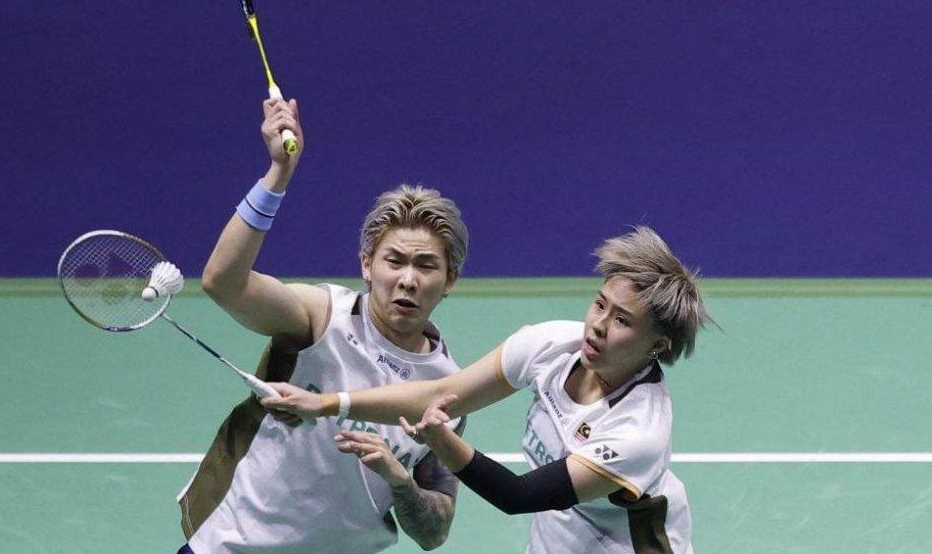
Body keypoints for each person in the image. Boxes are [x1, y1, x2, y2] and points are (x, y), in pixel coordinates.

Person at [264, 226, 712, 554]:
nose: (598, 325)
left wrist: (443, 440)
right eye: (600, 304)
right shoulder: (554, 346)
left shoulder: (638, 432)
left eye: (622, 320)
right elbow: (442, 393)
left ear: (657, 346)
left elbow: (519, 495)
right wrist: (327, 403)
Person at [176, 96, 470, 554]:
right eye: (394, 261)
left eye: (426, 266)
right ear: (367, 264)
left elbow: (434, 533)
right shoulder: (321, 316)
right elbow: (223, 282)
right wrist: (278, 174)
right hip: (234, 545)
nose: (408, 280)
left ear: (449, 279)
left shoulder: (447, 388)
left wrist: (400, 481)